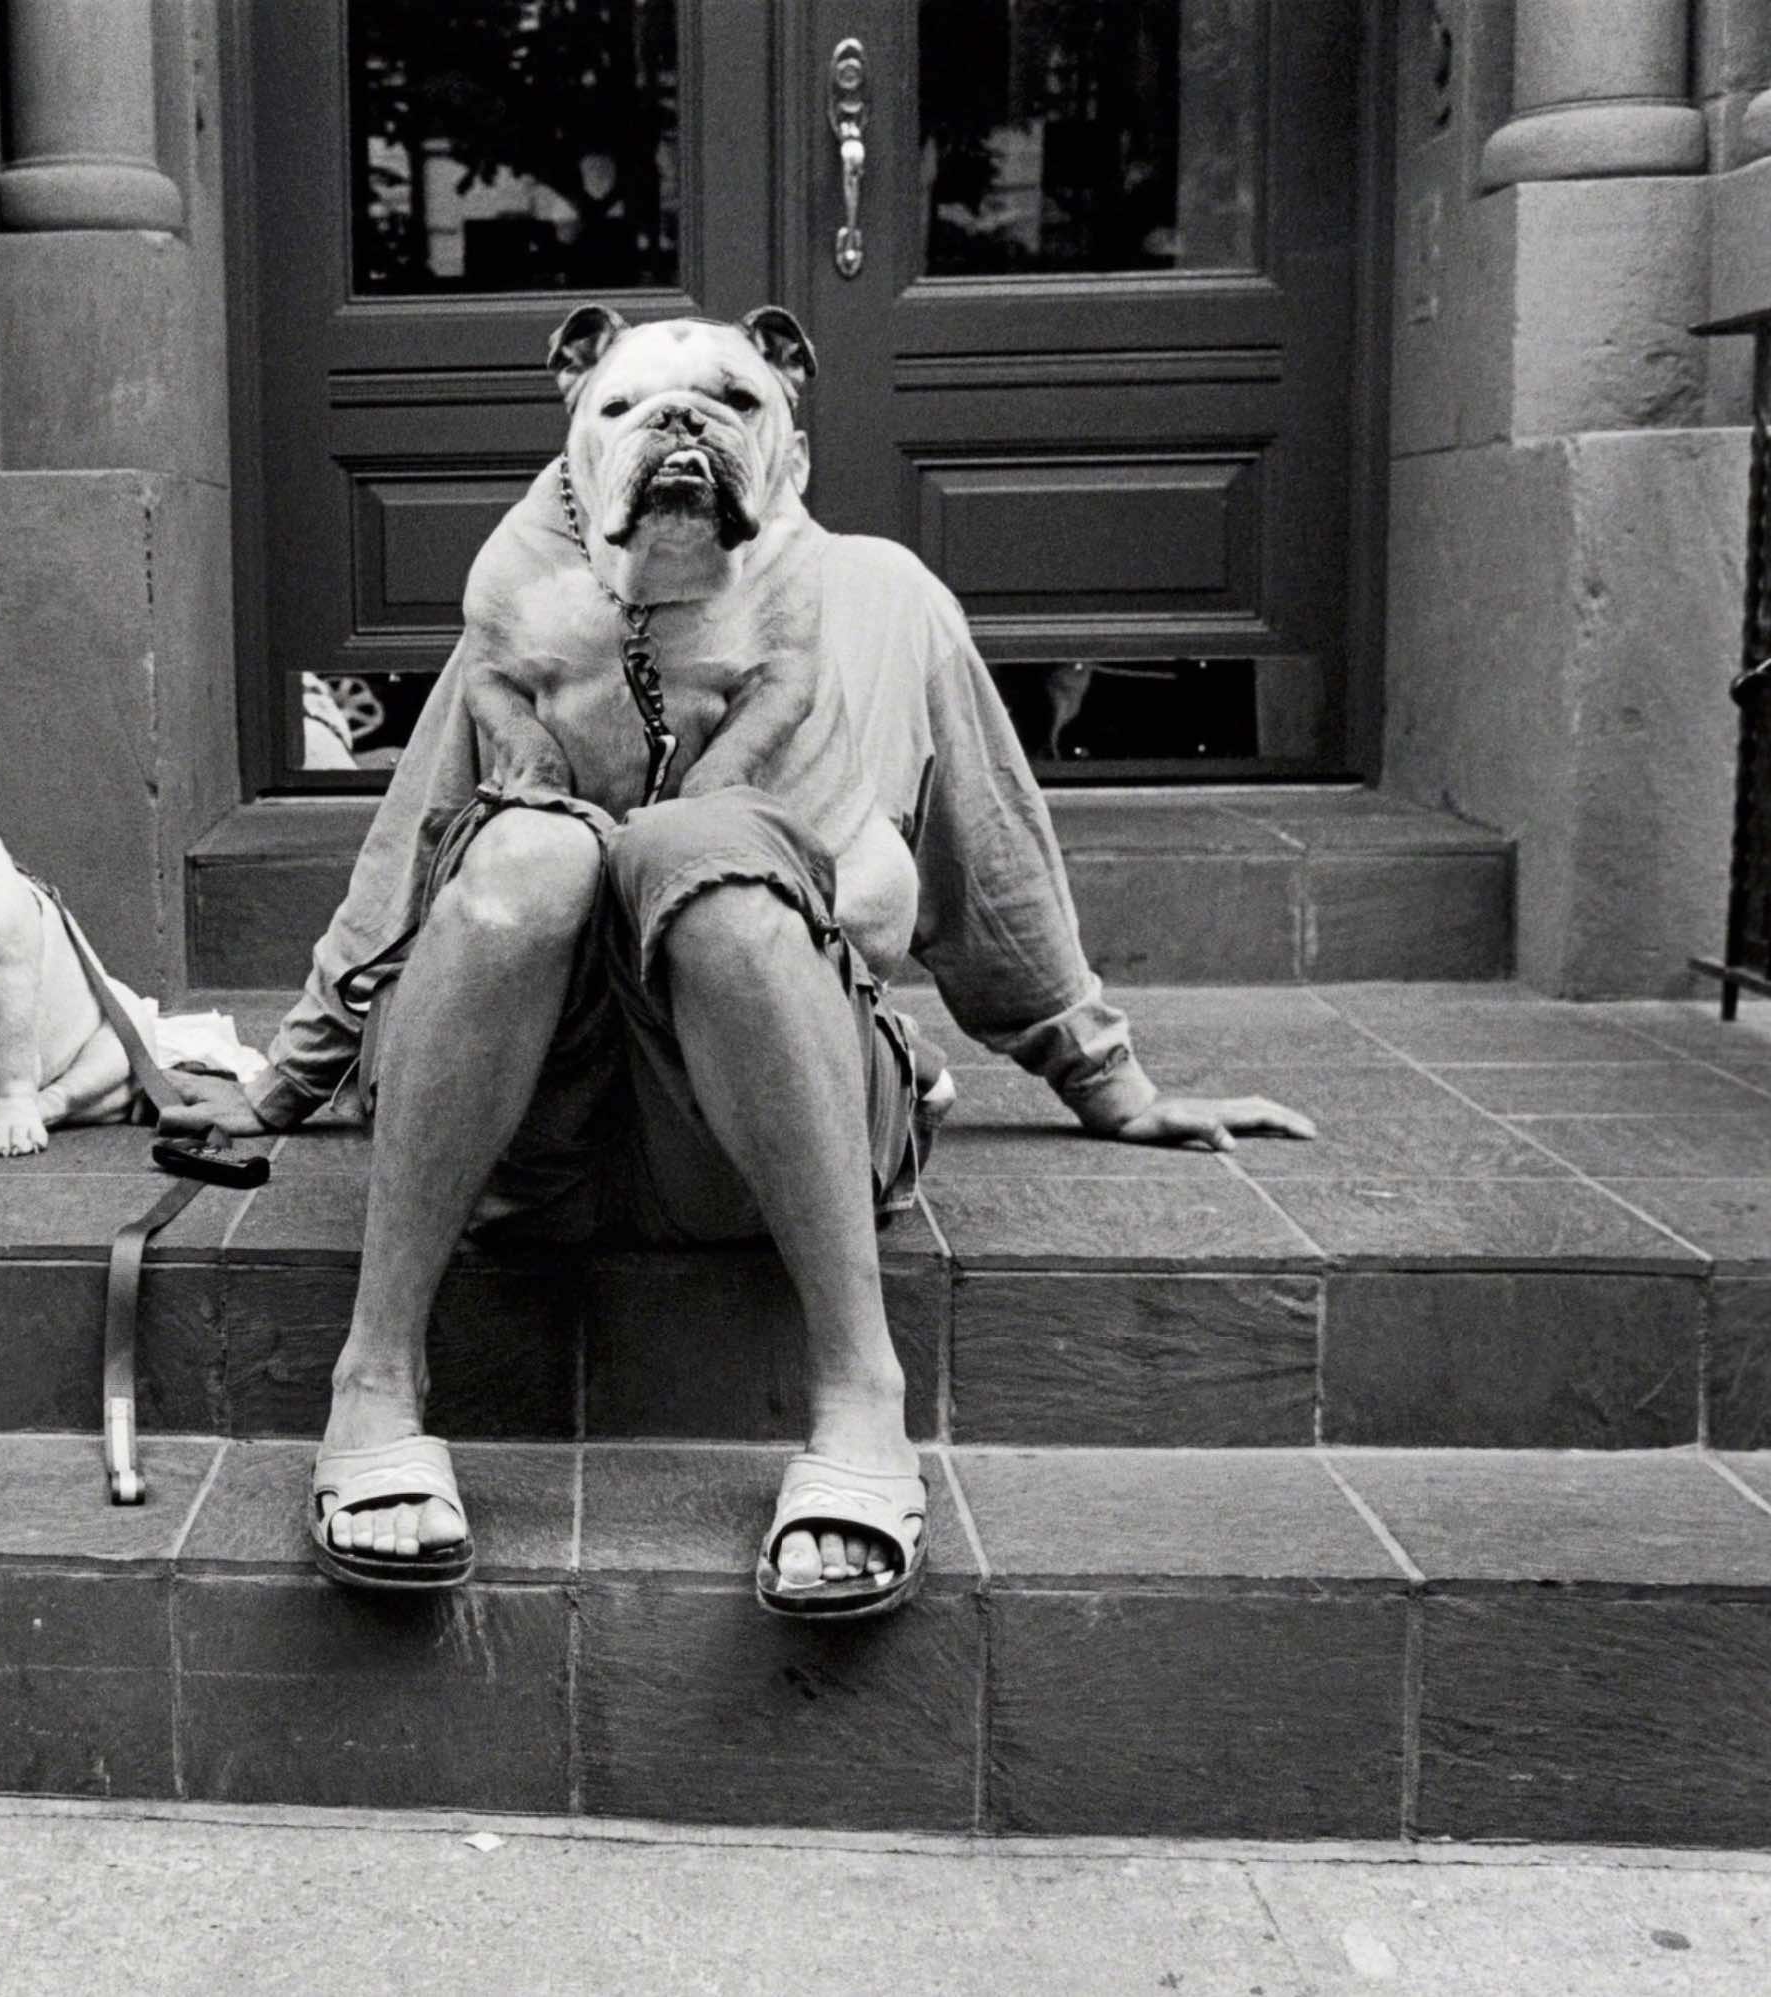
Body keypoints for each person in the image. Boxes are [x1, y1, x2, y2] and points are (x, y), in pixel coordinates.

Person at [163, 302, 1312, 1617]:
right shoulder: (538, 598)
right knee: (524, 856)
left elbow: (988, 858)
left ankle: (860, 1392)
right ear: (579, 448)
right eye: (633, 411)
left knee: (712, 861)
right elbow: (408, 863)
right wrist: (281, 1085)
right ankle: (373, 1374)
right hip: (524, 1129)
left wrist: (1108, 1081)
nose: (682, 435)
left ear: (795, 453)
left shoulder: (882, 597)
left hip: (754, 1127)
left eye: (733, 405)